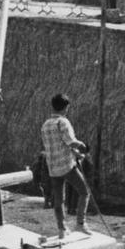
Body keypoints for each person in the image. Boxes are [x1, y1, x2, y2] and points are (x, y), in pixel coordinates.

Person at [39, 92, 92, 236]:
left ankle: (62, 229)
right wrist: (83, 147)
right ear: (66, 107)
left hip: (53, 167)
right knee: (84, 192)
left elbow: (58, 146)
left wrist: (75, 153)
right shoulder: (63, 122)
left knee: (59, 199)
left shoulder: (45, 125)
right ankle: (80, 223)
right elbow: (71, 142)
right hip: (66, 166)